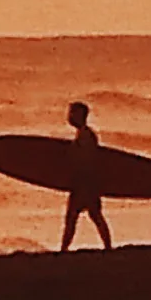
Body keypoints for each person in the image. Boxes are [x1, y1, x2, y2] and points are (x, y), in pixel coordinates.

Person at [59, 100, 113, 253]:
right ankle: (65, 248)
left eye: (72, 113)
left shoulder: (86, 136)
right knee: (88, 216)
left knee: (80, 216)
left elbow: (87, 160)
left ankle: (64, 249)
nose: (69, 117)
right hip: (85, 183)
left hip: (85, 184)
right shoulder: (83, 134)